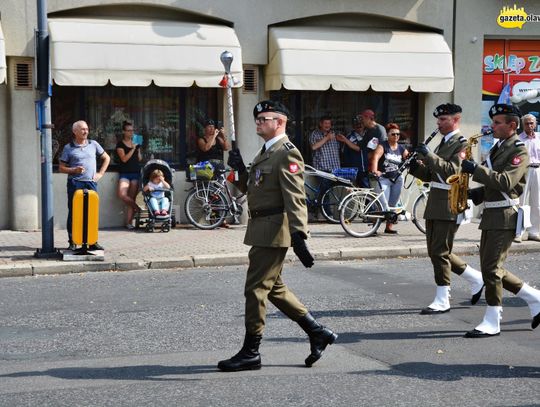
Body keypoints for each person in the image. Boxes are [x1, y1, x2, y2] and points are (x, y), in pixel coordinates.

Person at [218, 100, 337, 372]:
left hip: (274, 230)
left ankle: (251, 352)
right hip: (262, 229)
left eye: (264, 118)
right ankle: (317, 332)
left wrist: (299, 235)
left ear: (280, 122)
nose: (258, 121)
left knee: (256, 290)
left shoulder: (287, 153)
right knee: (274, 288)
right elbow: (253, 187)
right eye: (257, 118)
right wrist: (237, 170)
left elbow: (295, 197)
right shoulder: (266, 151)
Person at [461, 103, 540, 337]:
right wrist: (473, 194)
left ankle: (492, 319)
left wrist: (475, 169)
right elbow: (492, 184)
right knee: (489, 268)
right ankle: (534, 298)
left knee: (492, 270)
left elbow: (506, 183)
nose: (492, 126)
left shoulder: (519, 150)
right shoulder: (499, 148)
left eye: (497, 123)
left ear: (512, 125)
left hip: (505, 215)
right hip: (492, 214)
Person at [408, 103, 484, 314]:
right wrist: (414, 166)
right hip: (436, 201)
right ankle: (475, 278)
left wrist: (429, 156)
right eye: (439, 120)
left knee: (440, 252)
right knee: (436, 251)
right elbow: (434, 175)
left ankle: (443, 298)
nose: (439, 123)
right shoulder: (444, 142)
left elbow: (453, 172)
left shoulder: (462, 144)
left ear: (455, 120)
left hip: (450, 202)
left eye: (443, 119)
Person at [59, 120, 110, 251]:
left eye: (86, 129)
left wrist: (100, 173)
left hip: (91, 183)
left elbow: (106, 158)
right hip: (75, 183)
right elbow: (61, 168)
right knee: (74, 212)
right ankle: (73, 241)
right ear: (75, 131)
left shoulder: (94, 144)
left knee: (91, 212)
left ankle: (92, 241)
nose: (85, 131)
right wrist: (73, 170)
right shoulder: (68, 147)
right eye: (82, 129)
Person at [369, 123, 409, 234]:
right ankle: (374, 228)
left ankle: (389, 227)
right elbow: (375, 157)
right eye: (393, 134)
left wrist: (419, 161)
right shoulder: (383, 145)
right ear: (387, 135)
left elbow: (409, 158)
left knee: (393, 205)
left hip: (397, 180)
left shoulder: (401, 148)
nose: (396, 136)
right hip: (384, 179)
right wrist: (375, 170)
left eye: (398, 134)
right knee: (381, 205)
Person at [516, 113, 540, 242]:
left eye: (532, 123)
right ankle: (519, 232)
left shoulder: (539, 139)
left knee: (537, 202)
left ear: (535, 124)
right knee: (521, 201)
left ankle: (534, 232)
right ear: (523, 124)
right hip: (524, 171)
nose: (530, 125)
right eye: (527, 123)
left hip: (538, 170)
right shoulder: (519, 139)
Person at [116, 121, 142, 229]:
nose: (131, 132)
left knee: (132, 197)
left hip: (135, 172)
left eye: (132, 130)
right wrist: (133, 149)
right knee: (122, 194)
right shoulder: (120, 144)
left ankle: (129, 223)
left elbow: (140, 158)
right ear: (124, 132)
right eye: (129, 130)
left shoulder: (136, 142)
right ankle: (138, 208)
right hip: (125, 173)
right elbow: (124, 159)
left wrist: (138, 149)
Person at [356, 109, 388, 188]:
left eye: (363, 119)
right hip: (367, 165)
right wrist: (346, 140)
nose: (362, 121)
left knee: (377, 191)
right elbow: (361, 146)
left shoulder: (380, 130)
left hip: (378, 166)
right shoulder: (368, 131)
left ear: (368, 118)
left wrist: (368, 157)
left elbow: (381, 148)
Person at [336, 118, 365, 183]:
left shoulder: (367, 135)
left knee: (365, 189)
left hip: (364, 168)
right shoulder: (349, 136)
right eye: (357, 124)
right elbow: (343, 151)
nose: (359, 126)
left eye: (361, 124)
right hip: (351, 168)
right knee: (351, 188)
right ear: (353, 126)